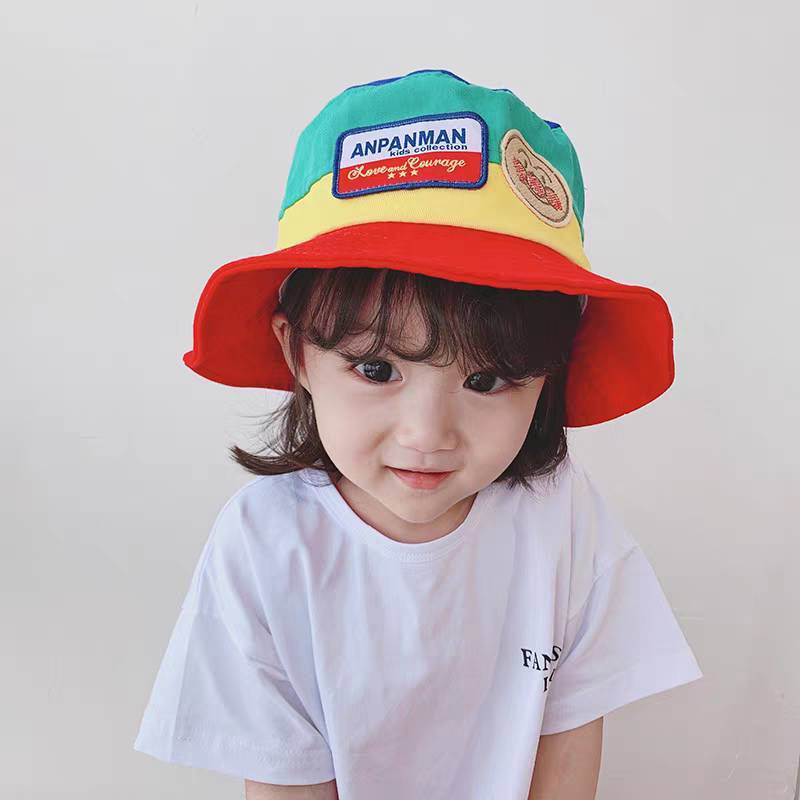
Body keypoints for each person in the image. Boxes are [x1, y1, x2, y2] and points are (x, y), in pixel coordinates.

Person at [133, 68, 703, 799]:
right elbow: (284, 780)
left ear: (549, 374)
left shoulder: (563, 517)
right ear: (296, 351)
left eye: (487, 380)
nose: (428, 434)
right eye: (376, 369)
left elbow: (568, 749)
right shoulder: (266, 543)